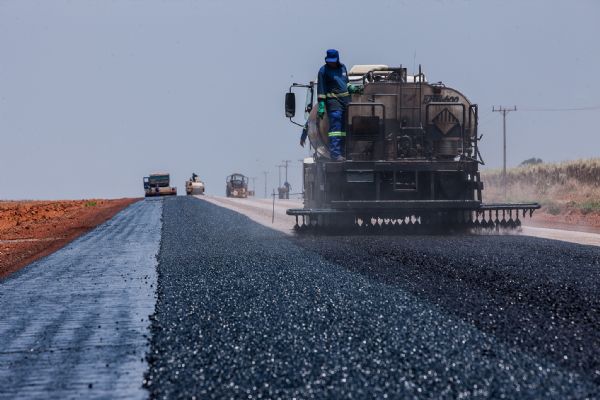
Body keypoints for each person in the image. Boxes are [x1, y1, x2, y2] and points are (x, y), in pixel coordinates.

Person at [316, 49, 362, 161]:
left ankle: (344, 152)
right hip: (333, 102)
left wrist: (354, 89)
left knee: (345, 128)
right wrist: (321, 106)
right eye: (329, 61)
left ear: (337, 59)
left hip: (346, 101)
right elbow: (321, 90)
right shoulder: (323, 71)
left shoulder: (343, 68)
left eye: (333, 60)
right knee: (336, 128)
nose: (331, 63)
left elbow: (346, 83)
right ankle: (335, 154)